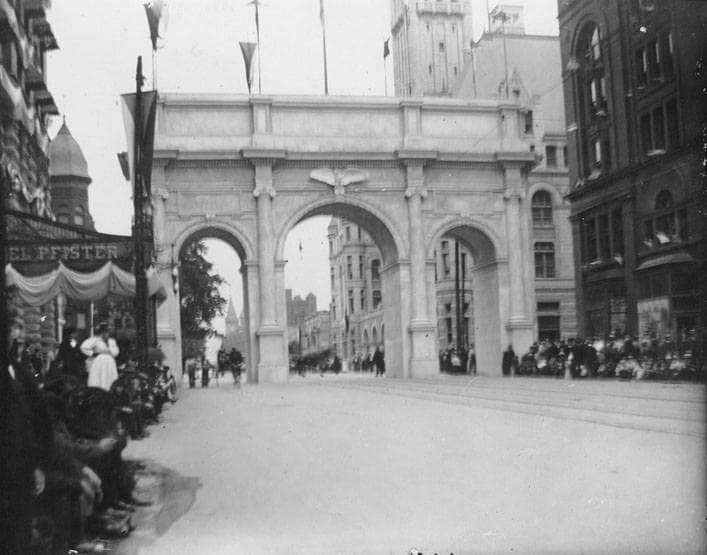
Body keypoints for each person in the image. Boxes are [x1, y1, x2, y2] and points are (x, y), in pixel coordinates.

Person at [81, 323, 120, 391]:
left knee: (109, 377)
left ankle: (109, 390)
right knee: (99, 377)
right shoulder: (94, 340)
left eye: (107, 332)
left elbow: (116, 352)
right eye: (104, 332)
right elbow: (83, 347)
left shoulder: (111, 341)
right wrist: (92, 354)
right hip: (99, 361)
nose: (106, 334)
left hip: (109, 362)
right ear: (101, 332)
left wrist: (109, 346)